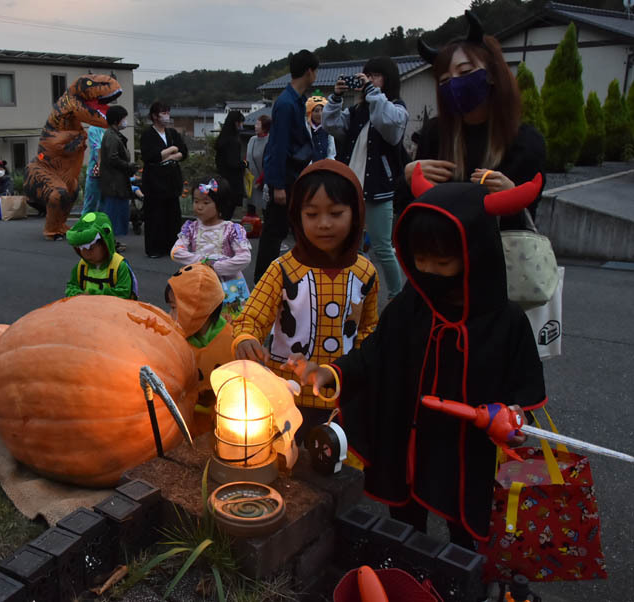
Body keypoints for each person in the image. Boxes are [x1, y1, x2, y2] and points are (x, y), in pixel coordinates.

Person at [286, 169, 547, 548]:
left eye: (443, 263)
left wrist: (513, 416)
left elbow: (524, 389)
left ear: (475, 253)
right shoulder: (412, 306)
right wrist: (331, 372)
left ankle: (463, 574)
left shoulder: (506, 322)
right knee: (405, 523)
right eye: (420, 260)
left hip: (466, 449)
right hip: (409, 438)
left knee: (463, 526)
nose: (428, 272)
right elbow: (375, 353)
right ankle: (408, 566)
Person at [233, 160, 378, 445]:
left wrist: (365, 373)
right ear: (298, 218)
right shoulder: (283, 269)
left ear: (356, 215)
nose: (324, 224)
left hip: (340, 393)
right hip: (285, 388)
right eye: (312, 214)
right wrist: (246, 338)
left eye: (336, 213)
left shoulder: (365, 273)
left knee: (332, 461)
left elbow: (368, 330)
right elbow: (251, 316)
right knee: (285, 456)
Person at [399, 10, 545, 230]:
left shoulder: (525, 142)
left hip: (499, 258)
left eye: (465, 72)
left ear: (492, 75)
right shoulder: (435, 133)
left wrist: (513, 197)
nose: (455, 84)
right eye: (445, 79)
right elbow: (410, 207)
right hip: (441, 254)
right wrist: (408, 178)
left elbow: (526, 221)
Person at [322, 56, 409, 301]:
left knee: (382, 247)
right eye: (366, 76)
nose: (369, 80)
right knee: (351, 246)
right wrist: (337, 97)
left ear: (388, 79)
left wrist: (371, 92)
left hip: (379, 189)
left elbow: (388, 123)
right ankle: (355, 295)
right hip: (351, 186)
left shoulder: (396, 108)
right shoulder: (357, 110)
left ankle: (396, 296)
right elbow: (332, 125)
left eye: (375, 76)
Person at [254, 49, 319, 284]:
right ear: (309, 71)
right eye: (316, 71)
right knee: (274, 231)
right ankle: (263, 281)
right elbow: (278, 146)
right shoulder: (286, 103)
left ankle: (281, 278)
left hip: (294, 175)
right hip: (285, 178)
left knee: (286, 229)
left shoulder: (296, 101)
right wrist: (278, 185)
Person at [166, 263, 235, 435]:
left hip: (223, 431)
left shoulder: (233, 342)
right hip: (181, 427)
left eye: (174, 308)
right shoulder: (173, 340)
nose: (169, 315)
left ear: (197, 310)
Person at [171, 177, 252, 320]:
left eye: (206, 202)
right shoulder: (191, 228)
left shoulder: (232, 229)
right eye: (196, 201)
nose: (199, 207)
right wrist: (202, 262)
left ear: (220, 204)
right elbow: (176, 252)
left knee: (231, 321)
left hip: (228, 283)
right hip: (199, 280)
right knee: (199, 319)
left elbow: (244, 257)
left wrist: (216, 266)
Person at [140, 101, 188, 258]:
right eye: (163, 112)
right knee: (155, 217)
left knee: (172, 216)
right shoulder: (148, 135)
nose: (167, 115)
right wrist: (172, 149)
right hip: (154, 183)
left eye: (168, 112)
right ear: (155, 115)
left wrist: (170, 154)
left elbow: (184, 152)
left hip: (172, 181)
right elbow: (150, 156)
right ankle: (155, 248)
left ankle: (171, 246)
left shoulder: (172, 133)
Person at [65, 211, 136, 299]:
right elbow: (71, 286)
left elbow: (124, 292)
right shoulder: (81, 267)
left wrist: (93, 295)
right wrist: (77, 294)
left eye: (91, 248)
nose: (86, 253)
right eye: (82, 248)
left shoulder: (119, 266)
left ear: (105, 244)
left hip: (113, 311)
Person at [99, 106, 137, 251]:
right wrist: (129, 166)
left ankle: (111, 243)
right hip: (114, 183)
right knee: (112, 216)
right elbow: (113, 159)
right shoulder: (112, 136)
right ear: (117, 120)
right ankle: (109, 245)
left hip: (114, 182)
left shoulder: (112, 135)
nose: (125, 121)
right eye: (124, 118)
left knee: (113, 215)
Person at [214, 111, 247, 219]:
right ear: (235, 123)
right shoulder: (233, 141)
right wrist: (244, 164)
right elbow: (233, 163)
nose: (241, 125)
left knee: (221, 213)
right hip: (232, 184)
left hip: (222, 181)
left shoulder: (222, 138)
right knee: (227, 215)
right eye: (239, 122)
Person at [245, 114, 271, 216]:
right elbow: (247, 157)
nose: (255, 126)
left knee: (265, 208)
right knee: (250, 207)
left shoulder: (269, 141)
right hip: (250, 180)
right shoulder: (252, 139)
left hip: (262, 182)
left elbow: (269, 163)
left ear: (265, 127)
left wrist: (261, 180)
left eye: (258, 124)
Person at [305, 96, 336, 162]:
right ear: (310, 113)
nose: (320, 114)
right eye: (316, 111)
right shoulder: (304, 129)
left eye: (322, 110)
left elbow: (331, 152)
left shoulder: (328, 128)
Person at [83, 125, 105, 215]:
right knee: (90, 205)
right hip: (95, 173)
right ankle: (85, 227)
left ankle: (99, 226)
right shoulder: (93, 128)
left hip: (105, 173)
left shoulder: (105, 129)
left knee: (103, 205)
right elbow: (96, 148)